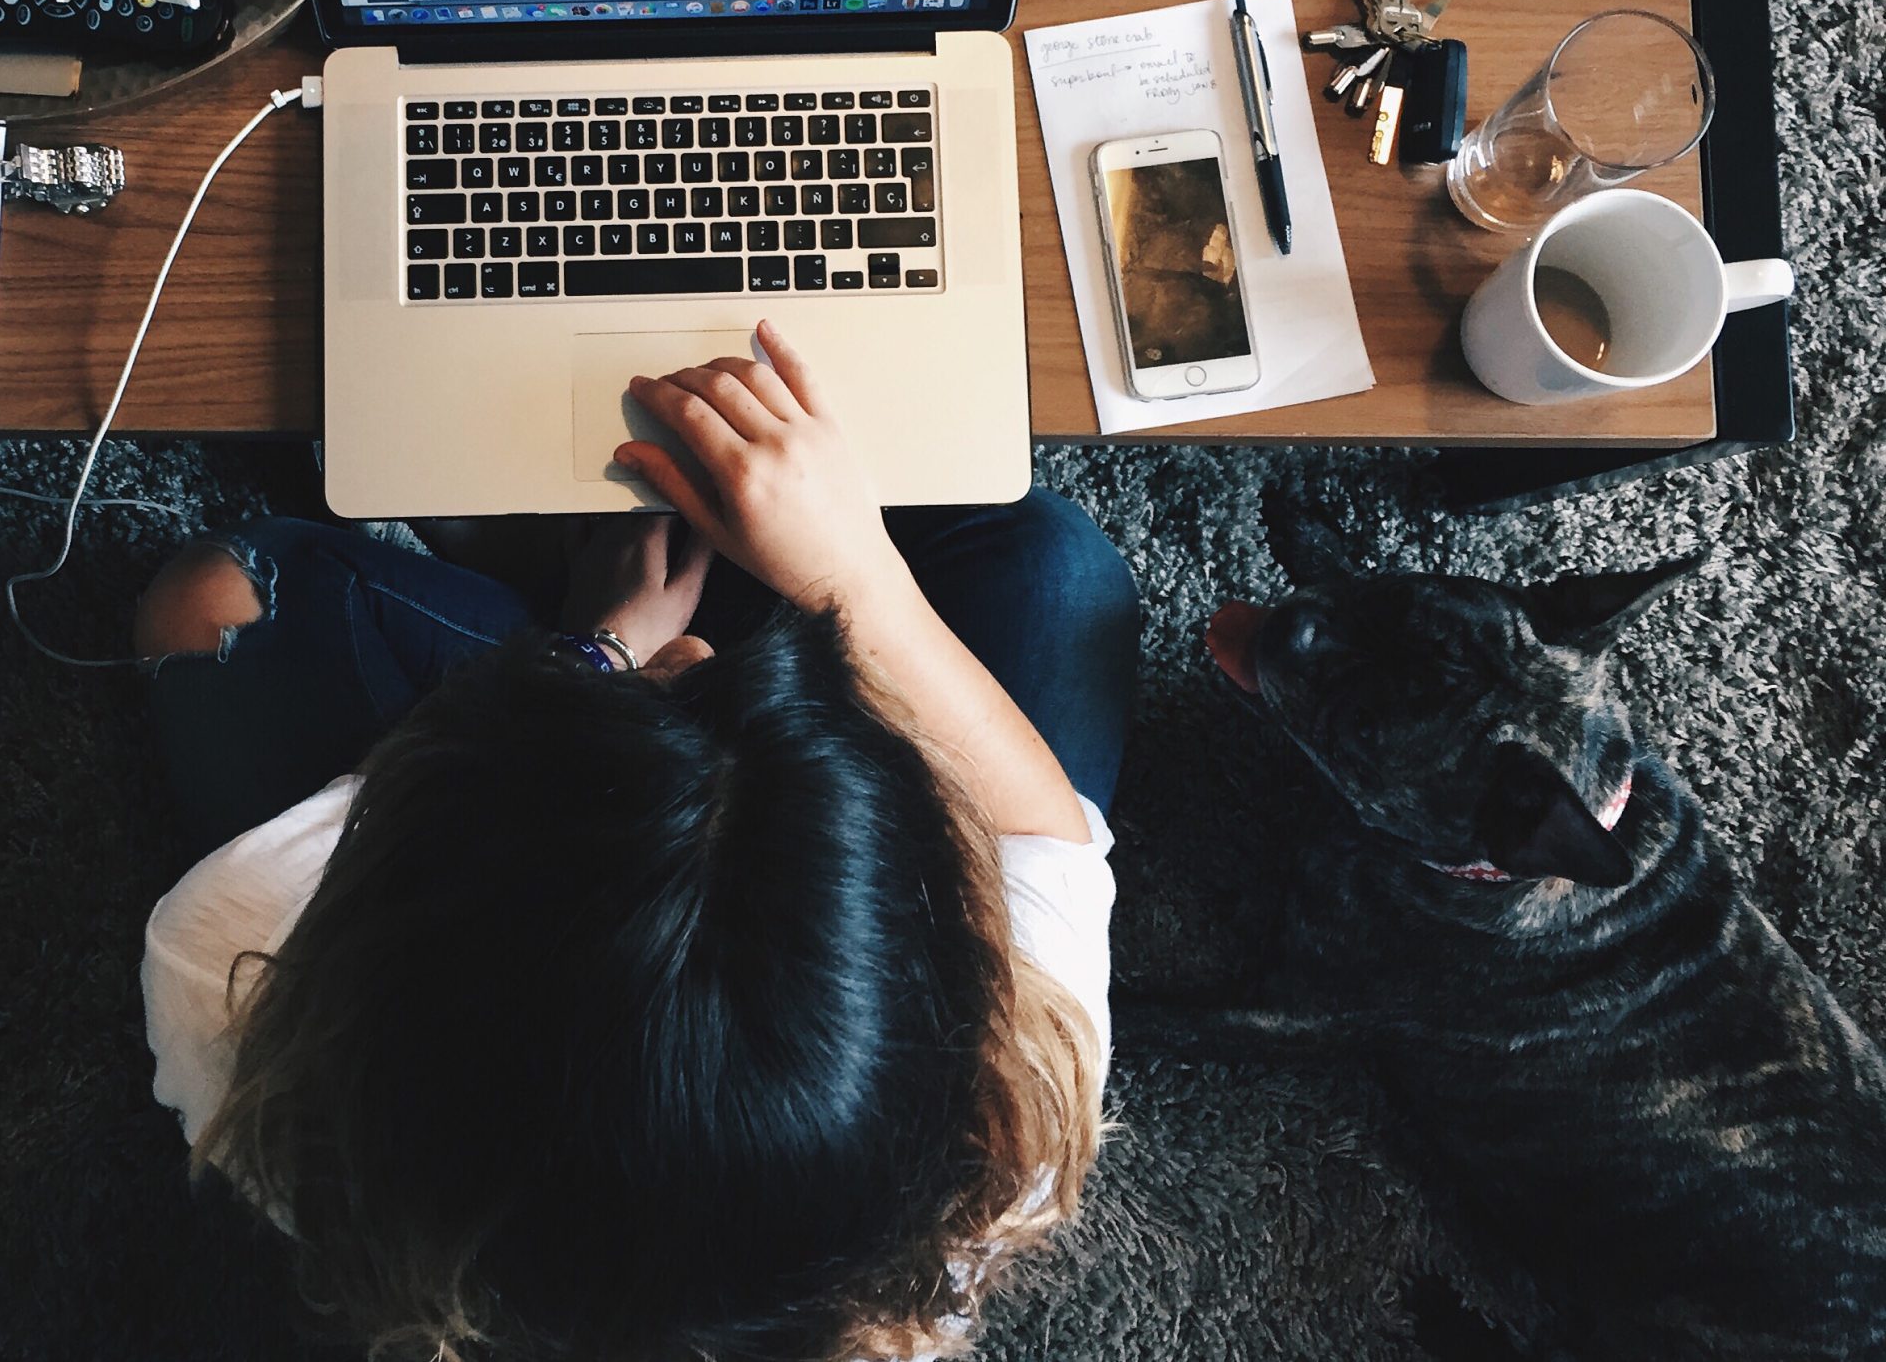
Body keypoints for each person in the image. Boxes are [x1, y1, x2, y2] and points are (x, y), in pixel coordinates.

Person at [135, 322, 1140, 1361]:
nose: (702, 653)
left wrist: (599, 646)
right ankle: (687, 559)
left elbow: (409, 782)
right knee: (1055, 569)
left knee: (210, 604)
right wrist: (853, 574)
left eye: (685, 668)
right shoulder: (994, 1109)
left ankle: (568, 568)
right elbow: (1037, 830)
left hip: (573, 670)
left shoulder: (244, 974)